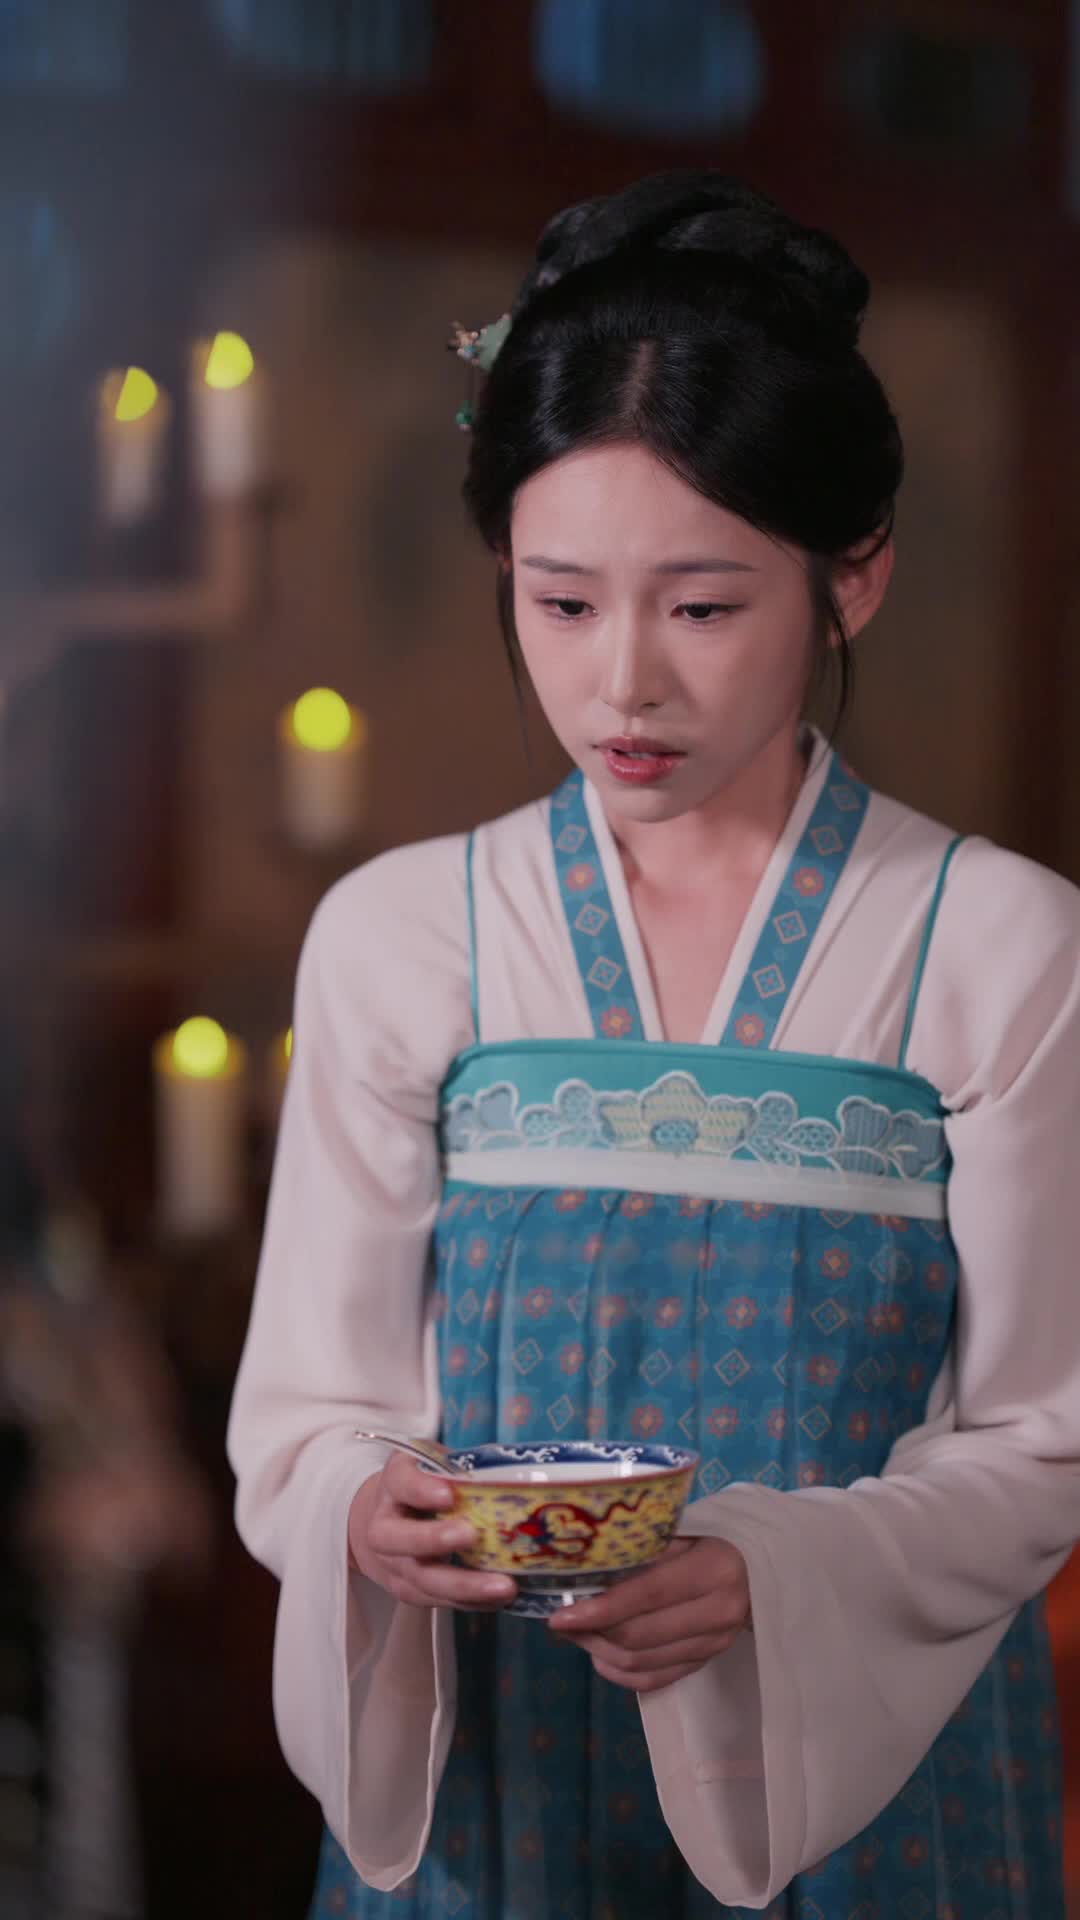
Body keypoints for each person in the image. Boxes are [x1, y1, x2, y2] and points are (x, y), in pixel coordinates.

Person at [226, 172, 1080, 1918]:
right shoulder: (403, 936)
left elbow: (1045, 1436)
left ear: (853, 578)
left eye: (701, 608)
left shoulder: (1001, 945)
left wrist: (776, 1570)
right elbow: (308, 1416)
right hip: (498, 1778)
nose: (624, 685)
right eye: (560, 603)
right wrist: (361, 1513)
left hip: (874, 1792)